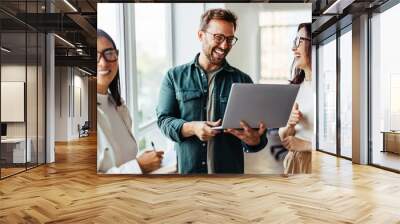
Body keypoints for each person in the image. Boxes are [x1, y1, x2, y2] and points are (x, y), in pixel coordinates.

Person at [156, 9, 267, 174]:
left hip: (230, 177)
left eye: (230, 39)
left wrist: (254, 139)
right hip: (189, 176)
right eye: (219, 37)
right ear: (201, 35)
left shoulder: (243, 80)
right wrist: (193, 128)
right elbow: (164, 121)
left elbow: (256, 137)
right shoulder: (174, 77)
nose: (224, 46)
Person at [97, 29, 164, 174]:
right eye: (95, 56)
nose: (103, 62)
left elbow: (123, 161)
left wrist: (143, 162)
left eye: (109, 53)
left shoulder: (118, 106)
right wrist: (139, 166)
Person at [278, 23, 313, 174]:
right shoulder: (295, 88)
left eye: (299, 41)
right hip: (294, 162)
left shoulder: (329, 87)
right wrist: (290, 124)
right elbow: (283, 136)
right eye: (295, 41)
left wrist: (305, 145)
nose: (294, 48)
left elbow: (343, 142)